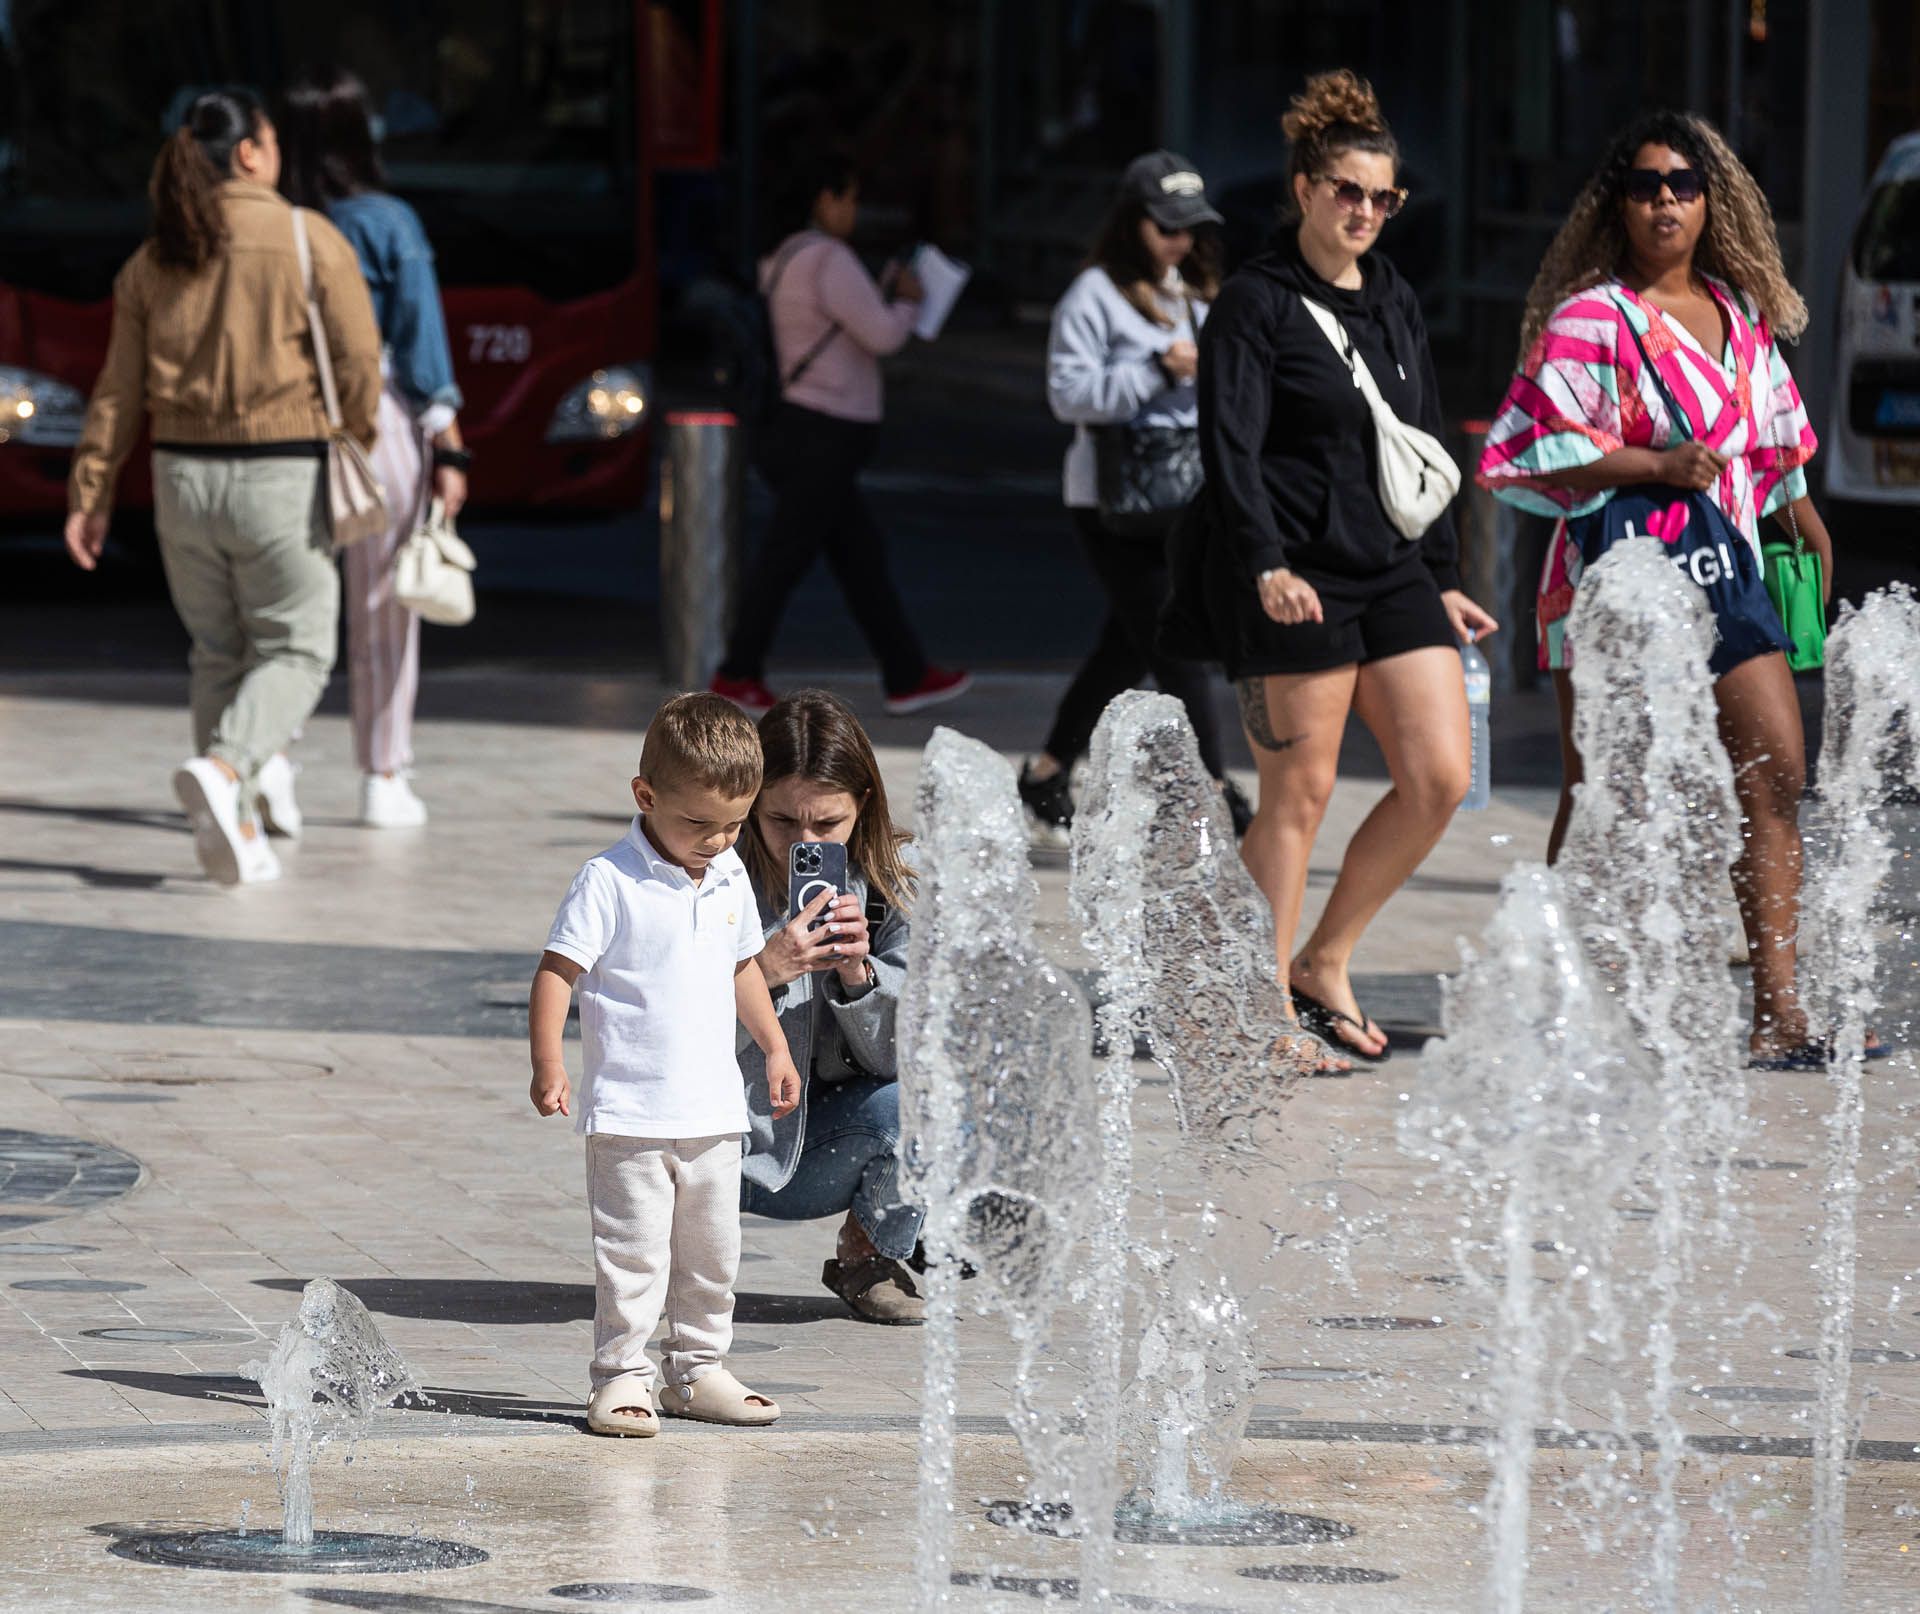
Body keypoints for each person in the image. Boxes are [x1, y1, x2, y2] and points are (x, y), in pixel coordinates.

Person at [1478, 109, 1876, 1070]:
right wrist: (1655, 465)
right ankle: (1558, 997)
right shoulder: (1590, 317)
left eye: (1683, 184)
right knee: (1603, 791)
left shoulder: (1741, 318)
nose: (1665, 199)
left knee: (1776, 771)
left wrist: (1806, 523)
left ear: (1712, 201)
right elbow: (1527, 451)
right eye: (1646, 183)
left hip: (1730, 574)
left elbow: (1774, 448)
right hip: (1614, 583)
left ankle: (1779, 1014)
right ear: (1618, 203)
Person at [1164, 71, 1497, 1061]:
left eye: (1382, 197)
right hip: (1290, 572)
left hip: (1392, 569)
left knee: (1439, 776)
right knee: (1296, 797)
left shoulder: (1392, 295)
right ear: (1305, 187)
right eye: (1346, 190)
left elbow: (1421, 437)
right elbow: (1229, 448)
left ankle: (1326, 959)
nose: (1364, 211)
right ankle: (1258, 1005)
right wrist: (1265, 562)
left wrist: (1439, 570)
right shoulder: (1255, 305)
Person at [64, 87, 381, 886]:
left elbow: (116, 389)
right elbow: (359, 363)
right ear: (249, 152)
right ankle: (231, 769)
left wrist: (92, 491)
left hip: (179, 478)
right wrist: (359, 440)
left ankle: (231, 829)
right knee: (299, 647)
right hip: (280, 473)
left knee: (217, 651)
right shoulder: (309, 239)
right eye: (271, 143)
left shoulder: (152, 259)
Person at [528, 693, 802, 1436]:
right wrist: (549, 1062)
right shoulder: (608, 879)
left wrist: (774, 1045)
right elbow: (557, 973)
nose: (717, 841)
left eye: (734, 825)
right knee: (634, 1259)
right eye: (697, 825)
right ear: (645, 796)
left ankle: (698, 1369)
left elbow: (743, 966)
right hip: (629, 1116)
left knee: (713, 1256)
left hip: (713, 1110)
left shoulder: (729, 876)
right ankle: (621, 1377)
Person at [1019, 151, 1252, 845]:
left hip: (1187, 491)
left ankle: (1047, 770)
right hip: (1115, 500)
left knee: (1128, 644)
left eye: (1190, 230)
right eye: (1165, 228)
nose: (1179, 242)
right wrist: (1155, 368)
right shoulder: (1092, 295)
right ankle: (1212, 786)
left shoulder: (1194, 290)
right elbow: (1068, 395)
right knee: (1176, 637)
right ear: (1131, 223)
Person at [710, 150, 970, 720]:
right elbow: (881, 335)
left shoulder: (785, 256)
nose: (854, 210)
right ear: (824, 200)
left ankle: (907, 674)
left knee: (860, 558)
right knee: (786, 556)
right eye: (848, 197)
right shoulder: (828, 256)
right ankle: (736, 672)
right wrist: (907, 301)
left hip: (796, 428)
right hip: (824, 432)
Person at [280, 65, 470, 830]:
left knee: (285, 605)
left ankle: (272, 764)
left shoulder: (270, 224)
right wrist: (450, 447)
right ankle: (382, 774)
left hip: (283, 422)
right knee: (384, 606)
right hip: (379, 421)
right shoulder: (387, 222)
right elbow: (424, 351)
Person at [736, 690, 927, 1323]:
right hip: (711, 1148)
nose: (803, 843)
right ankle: (674, 1253)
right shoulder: (708, 877)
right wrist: (763, 969)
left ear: (863, 806)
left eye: (827, 825)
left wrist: (858, 976)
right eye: (782, 822)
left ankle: (867, 1250)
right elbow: (650, 1026)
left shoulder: (899, 884)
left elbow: (907, 1056)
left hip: (823, 1141)